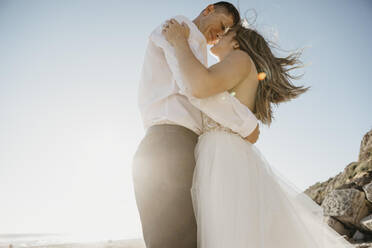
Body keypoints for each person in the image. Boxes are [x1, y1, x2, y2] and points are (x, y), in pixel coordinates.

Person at [162, 16, 355, 248]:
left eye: (225, 32)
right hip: (225, 152)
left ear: (236, 43)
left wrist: (179, 43)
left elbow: (201, 85)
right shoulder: (240, 65)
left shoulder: (240, 58)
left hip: (223, 156)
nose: (219, 36)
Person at [132, 2, 260, 248]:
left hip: (180, 146)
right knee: (172, 240)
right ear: (209, 9)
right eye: (222, 25)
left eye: (226, 32)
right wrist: (246, 123)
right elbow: (196, 89)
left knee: (186, 239)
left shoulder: (197, 48)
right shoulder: (179, 28)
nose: (219, 35)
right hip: (168, 144)